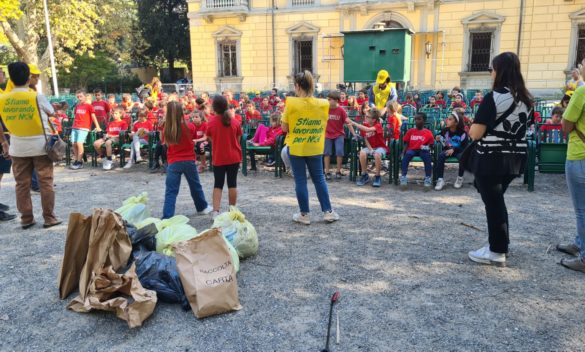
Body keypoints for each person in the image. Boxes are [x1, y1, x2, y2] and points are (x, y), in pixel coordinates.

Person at [467, 52, 533, 266]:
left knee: (493, 204)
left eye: (492, 69)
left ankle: (496, 251)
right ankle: (500, 244)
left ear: (500, 71)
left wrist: (472, 128)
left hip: (491, 158)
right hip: (515, 157)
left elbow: (476, 133)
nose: (491, 73)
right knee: (497, 200)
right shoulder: (527, 99)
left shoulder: (494, 97)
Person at [0, 62, 61, 229]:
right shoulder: (36, 96)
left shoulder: (2, 98)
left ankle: (26, 218)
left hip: (17, 146)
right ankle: (49, 218)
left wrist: (4, 143)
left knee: (21, 184)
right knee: (45, 182)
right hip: (41, 146)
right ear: (28, 77)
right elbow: (52, 112)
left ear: (11, 78)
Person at [281, 70, 339, 225]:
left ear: (298, 86)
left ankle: (304, 215)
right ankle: (328, 212)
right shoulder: (323, 104)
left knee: (300, 180)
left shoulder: (291, 103)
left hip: (297, 147)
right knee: (319, 179)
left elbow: (284, 128)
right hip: (315, 146)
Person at [555, 64, 585, 272]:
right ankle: (579, 243)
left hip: (579, 154)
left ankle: (584, 256)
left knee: (581, 209)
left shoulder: (582, 91)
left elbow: (565, 125)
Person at [161, 101, 211, 219]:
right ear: (181, 112)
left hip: (173, 161)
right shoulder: (190, 126)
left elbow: (164, 142)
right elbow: (193, 138)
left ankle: (167, 216)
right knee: (195, 186)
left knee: (171, 191)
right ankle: (202, 207)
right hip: (188, 160)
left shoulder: (166, 128)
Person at [206, 95, 243, 219]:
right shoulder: (235, 122)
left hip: (219, 157)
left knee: (218, 184)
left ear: (214, 108)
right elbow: (238, 140)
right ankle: (232, 210)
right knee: (232, 184)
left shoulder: (211, 123)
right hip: (234, 157)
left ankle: (216, 211)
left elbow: (210, 138)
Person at [352, 108, 388, 187]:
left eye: (368, 117)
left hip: (380, 147)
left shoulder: (378, 125)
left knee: (377, 154)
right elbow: (365, 138)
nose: (365, 117)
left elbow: (368, 130)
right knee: (362, 153)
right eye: (366, 116)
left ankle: (377, 176)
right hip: (370, 147)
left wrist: (354, 123)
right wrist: (371, 150)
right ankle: (365, 175)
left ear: (374, 120)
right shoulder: (364, 125)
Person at [434, 110, 469, 191]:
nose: (447, 120)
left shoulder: (463, 133)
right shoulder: (445, 130)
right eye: (447, 119)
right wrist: (437, 137)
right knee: (441, 155)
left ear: (456, 123)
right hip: (447, 150)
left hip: (459, 151)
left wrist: (454, 149)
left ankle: (460, 177)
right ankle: (440, 179)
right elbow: (438, 135)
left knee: (462, 158)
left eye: (450, 119)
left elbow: (465, 147)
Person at [324, 91, 355, 181]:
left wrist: (354, 134)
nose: (328, 101)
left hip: (338, 134)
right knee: (327, 153)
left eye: (330, 99)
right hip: (327, 134)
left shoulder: (341, 110)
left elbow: (348, 122)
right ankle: (327, 172)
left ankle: (338, 171)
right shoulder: (325, 108)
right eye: (328, 99)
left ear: (336, 100)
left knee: (339, 152)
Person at [400, 112, 434, 189]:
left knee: (427, 157)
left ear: (424, 121)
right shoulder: (410, 131)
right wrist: (403, 152)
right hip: (412, 149)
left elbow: (431, 144)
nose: (416, 121)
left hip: (423, 150)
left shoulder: (428, 133)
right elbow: (406, 143)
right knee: (407, 156)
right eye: (415, 119)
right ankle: (403, 176)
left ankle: (428, 178)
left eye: (419, 119)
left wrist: (427, 147)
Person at [70, 90, 101, 170]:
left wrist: (97, 126)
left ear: (85, 96)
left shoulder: (89, 106)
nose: (79, 98)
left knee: (79, 143)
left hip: (83, 127)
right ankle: (76, 160)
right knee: (73, 143)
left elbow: (93, 116)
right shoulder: (77, 106)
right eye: (78, 97)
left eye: (81, 96)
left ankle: (80, 162)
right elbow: (75, 117)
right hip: (75, 127)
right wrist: (73, 126)